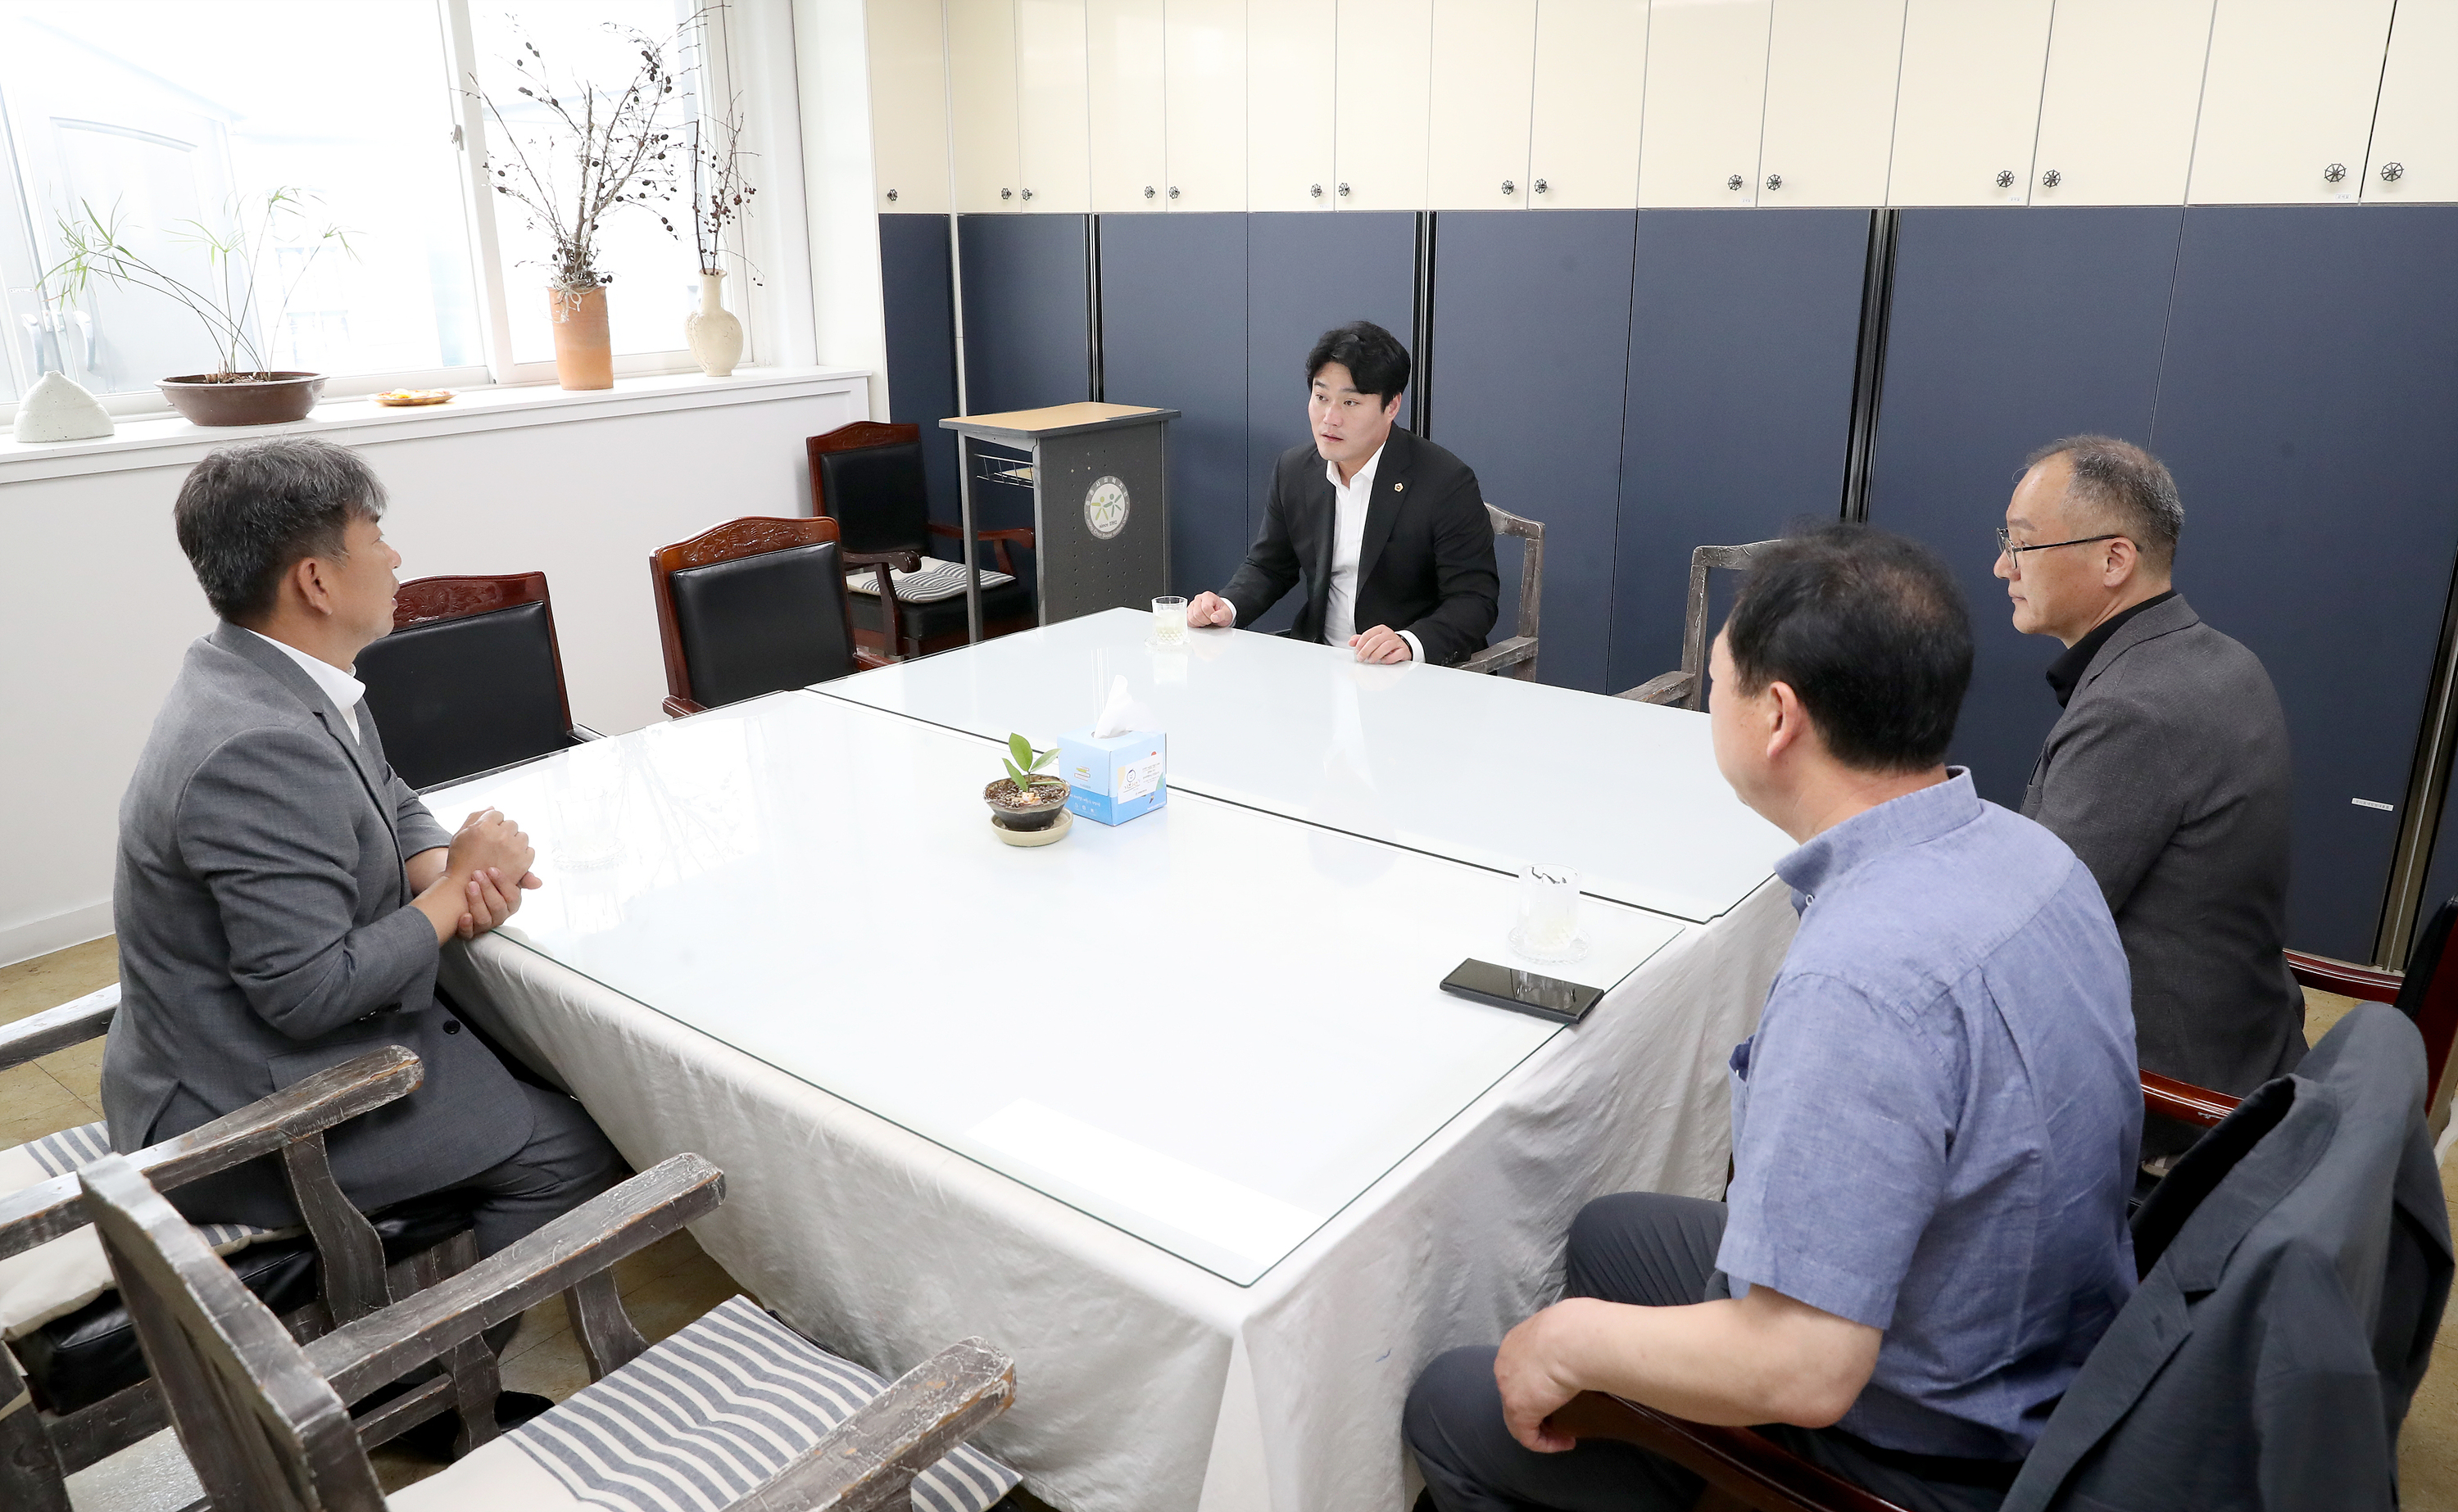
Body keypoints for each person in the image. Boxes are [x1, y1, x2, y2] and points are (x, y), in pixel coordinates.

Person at [1404, 524, 2141, 1512]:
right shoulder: (2032, 854)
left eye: (1717, 683)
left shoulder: (1861, 982)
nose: (1711, 702)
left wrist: (1569, 1344)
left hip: (1926, 1452)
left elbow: (1809, 1368)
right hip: (2050, 1353)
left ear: (1778, 717)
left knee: (1454, 1400)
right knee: (1611, 1233)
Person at [106, 437, 623, 1265]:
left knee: (544, 1059)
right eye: (376, 538)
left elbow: (386, 790)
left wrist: (446, 867)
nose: (395, 558)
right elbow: (309, 992)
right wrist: (452, 894)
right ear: (316, 581)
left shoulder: (279, 674)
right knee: (578, 1146)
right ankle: (453, 1346)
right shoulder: (258, 747)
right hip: (236, 1113)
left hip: (230, 1049)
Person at [1997, 436, 2301, 1159]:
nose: (2003, 567)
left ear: (2114, 560)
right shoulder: (2221, 659)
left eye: (2023, 545)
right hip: (2250, 1040)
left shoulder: (2133, 709)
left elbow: (2024, 933)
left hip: (2166, 1089)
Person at [1185, 319, 1498, 665]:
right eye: (1321, 398)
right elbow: (1269, 566)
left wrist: (1409, 642)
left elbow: (1474, 599)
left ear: (1392, 406)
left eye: (1350, 403)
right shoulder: (1294, 470)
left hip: (1404, 670)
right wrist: (1227, 607)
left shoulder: (1446, 482)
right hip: (1321, 662)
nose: (1330, 418)